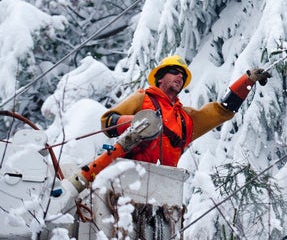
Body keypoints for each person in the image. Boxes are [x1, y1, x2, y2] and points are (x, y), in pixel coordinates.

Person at [100, 55, 270, 167]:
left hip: (165, 181)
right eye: (174, 72)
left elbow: (222, 110)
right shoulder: (143, 98)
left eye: (183, 75)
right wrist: (139, 123)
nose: (180, 76)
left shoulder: (185, 119)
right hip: (130, 173)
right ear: (159, 78)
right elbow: (107, 121)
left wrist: (247, 80)